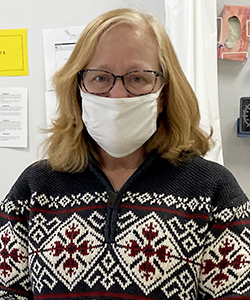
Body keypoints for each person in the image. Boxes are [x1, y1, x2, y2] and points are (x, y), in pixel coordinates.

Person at [0, 8, 249, 300]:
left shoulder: (214, 190)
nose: (117, 96)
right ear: (78, 88)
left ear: (164, 94)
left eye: (138, 78)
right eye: (100, 78)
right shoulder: (34, 188)